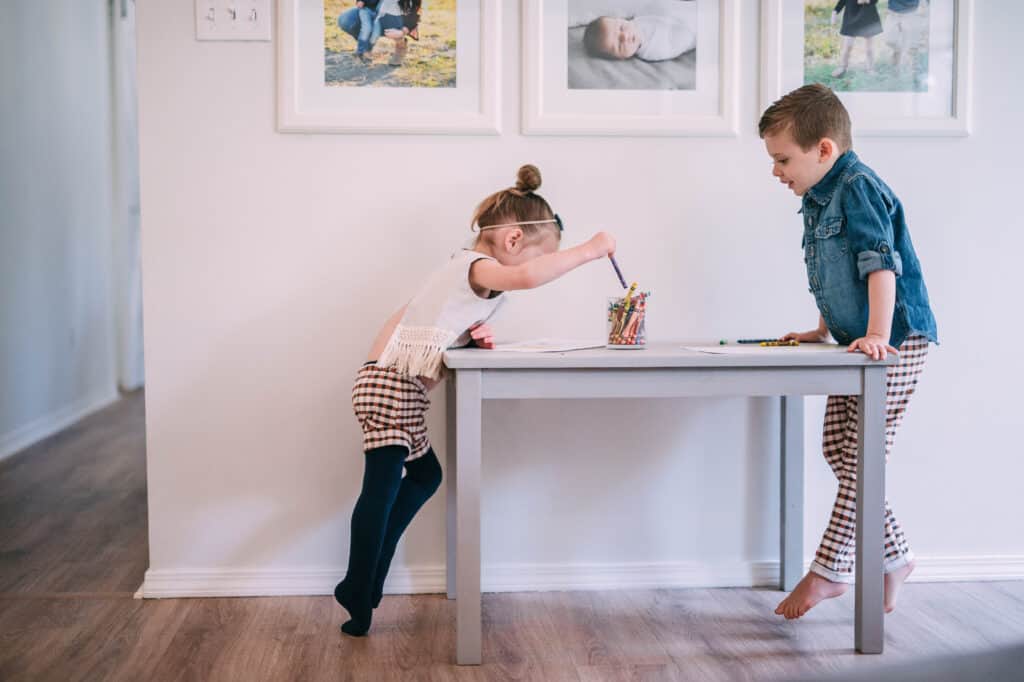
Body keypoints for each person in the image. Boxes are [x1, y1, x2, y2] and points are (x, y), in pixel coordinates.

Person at [334, 164, 617, 636]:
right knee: (379, 494)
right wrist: (589, 250)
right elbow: (527, 277)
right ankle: (359, 585)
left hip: (397, 389)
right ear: (511, 241)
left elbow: (426, 330)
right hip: (389, 389)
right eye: (533, 254)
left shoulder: (458, 272)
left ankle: (365, 580)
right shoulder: (476, 266)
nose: (524, 268)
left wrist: (466, 338)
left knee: (425, 477)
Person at [758, 84, 938, 620]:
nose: (776, 172)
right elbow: (832, 275)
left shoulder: (857, 188)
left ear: (824, 150)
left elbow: (879, 265)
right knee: (841, 451)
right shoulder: (818, 197)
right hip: (860, 345)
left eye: (782, 159)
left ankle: (828, 572)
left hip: (898, 340)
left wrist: (879, 334)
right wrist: (821, 329)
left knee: (862, 460)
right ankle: (896, 556)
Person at [582, 13, 695, 62]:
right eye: (619, 45)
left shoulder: (637, 20)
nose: (625, 36)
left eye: (621, 27)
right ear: (621, 57)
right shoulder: (650, 51)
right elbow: (681, 42)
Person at [831, 0, 883, 77]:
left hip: (867, 16)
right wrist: (834, 13)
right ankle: (842, 67)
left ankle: (870, 68)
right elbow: (841, 2)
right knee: (848, 46)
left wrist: (867, 1)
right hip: (851, 16)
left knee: (869, 48)